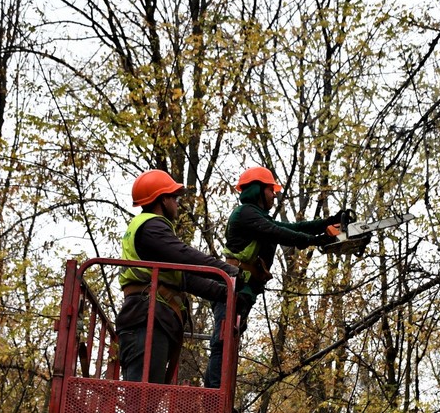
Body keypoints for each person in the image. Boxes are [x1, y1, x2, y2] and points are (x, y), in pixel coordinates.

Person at [202, 166, 346, 393]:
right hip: (231, 288)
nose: (275, 194)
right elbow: (279, 233)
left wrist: (328, 222)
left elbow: (292, 227)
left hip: (244, 290)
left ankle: (220, 395)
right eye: (271, 190)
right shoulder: (245, 214)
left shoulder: (258, 217)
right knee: (222, 342)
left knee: (229, 342)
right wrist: (317, 240)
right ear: (258, 190)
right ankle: (213, 397)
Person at [116, 170, 252, 399]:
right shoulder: (151, 227)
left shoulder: (153, 237)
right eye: (174, 198)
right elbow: (183, 254)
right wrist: (227, 271)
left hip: (152, 318)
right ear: (161, 200)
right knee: (141, 401)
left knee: (146, 401)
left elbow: (185, 278)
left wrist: (227, 293)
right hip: (146, 318)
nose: (177, 204)